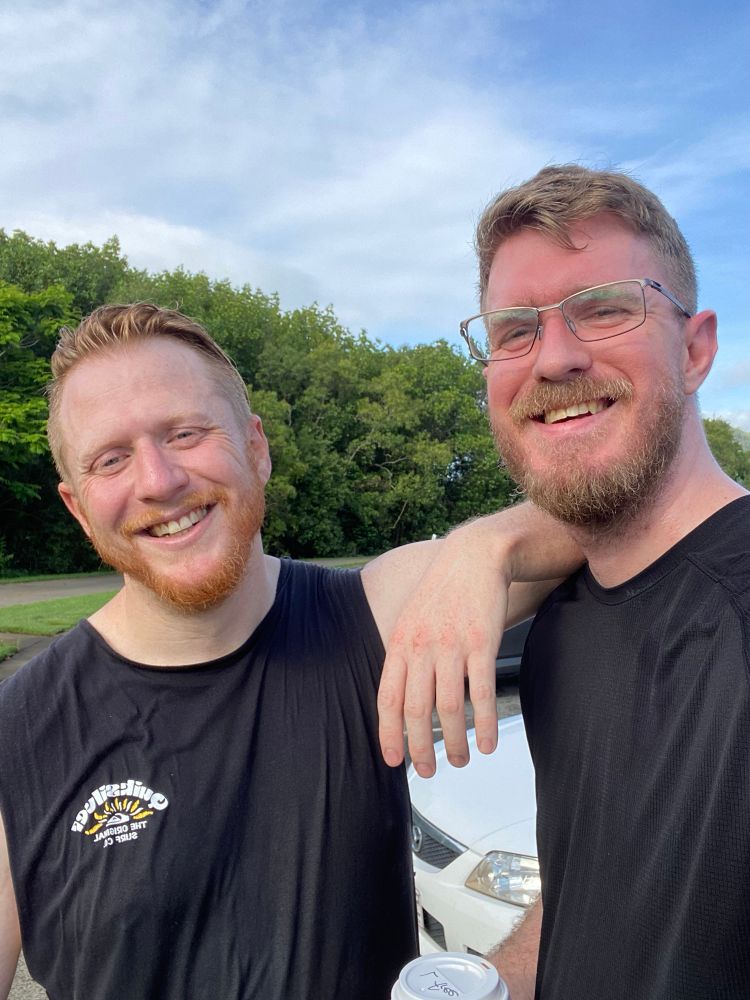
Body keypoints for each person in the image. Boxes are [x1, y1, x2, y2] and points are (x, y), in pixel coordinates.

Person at [0, 303, 578, 1000]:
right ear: (77, 504)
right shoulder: (20, 732)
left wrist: (487, 544)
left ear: (257, 448)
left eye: (185, 433)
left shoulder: (370, 614)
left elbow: (624, 514)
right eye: (111, 458)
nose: (157, 480)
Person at [382, 164, 750, 1000]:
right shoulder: (564, 623)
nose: (554, 358)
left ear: (696, 351)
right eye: (513, 330)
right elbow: (603, 894)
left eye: (606, 307)